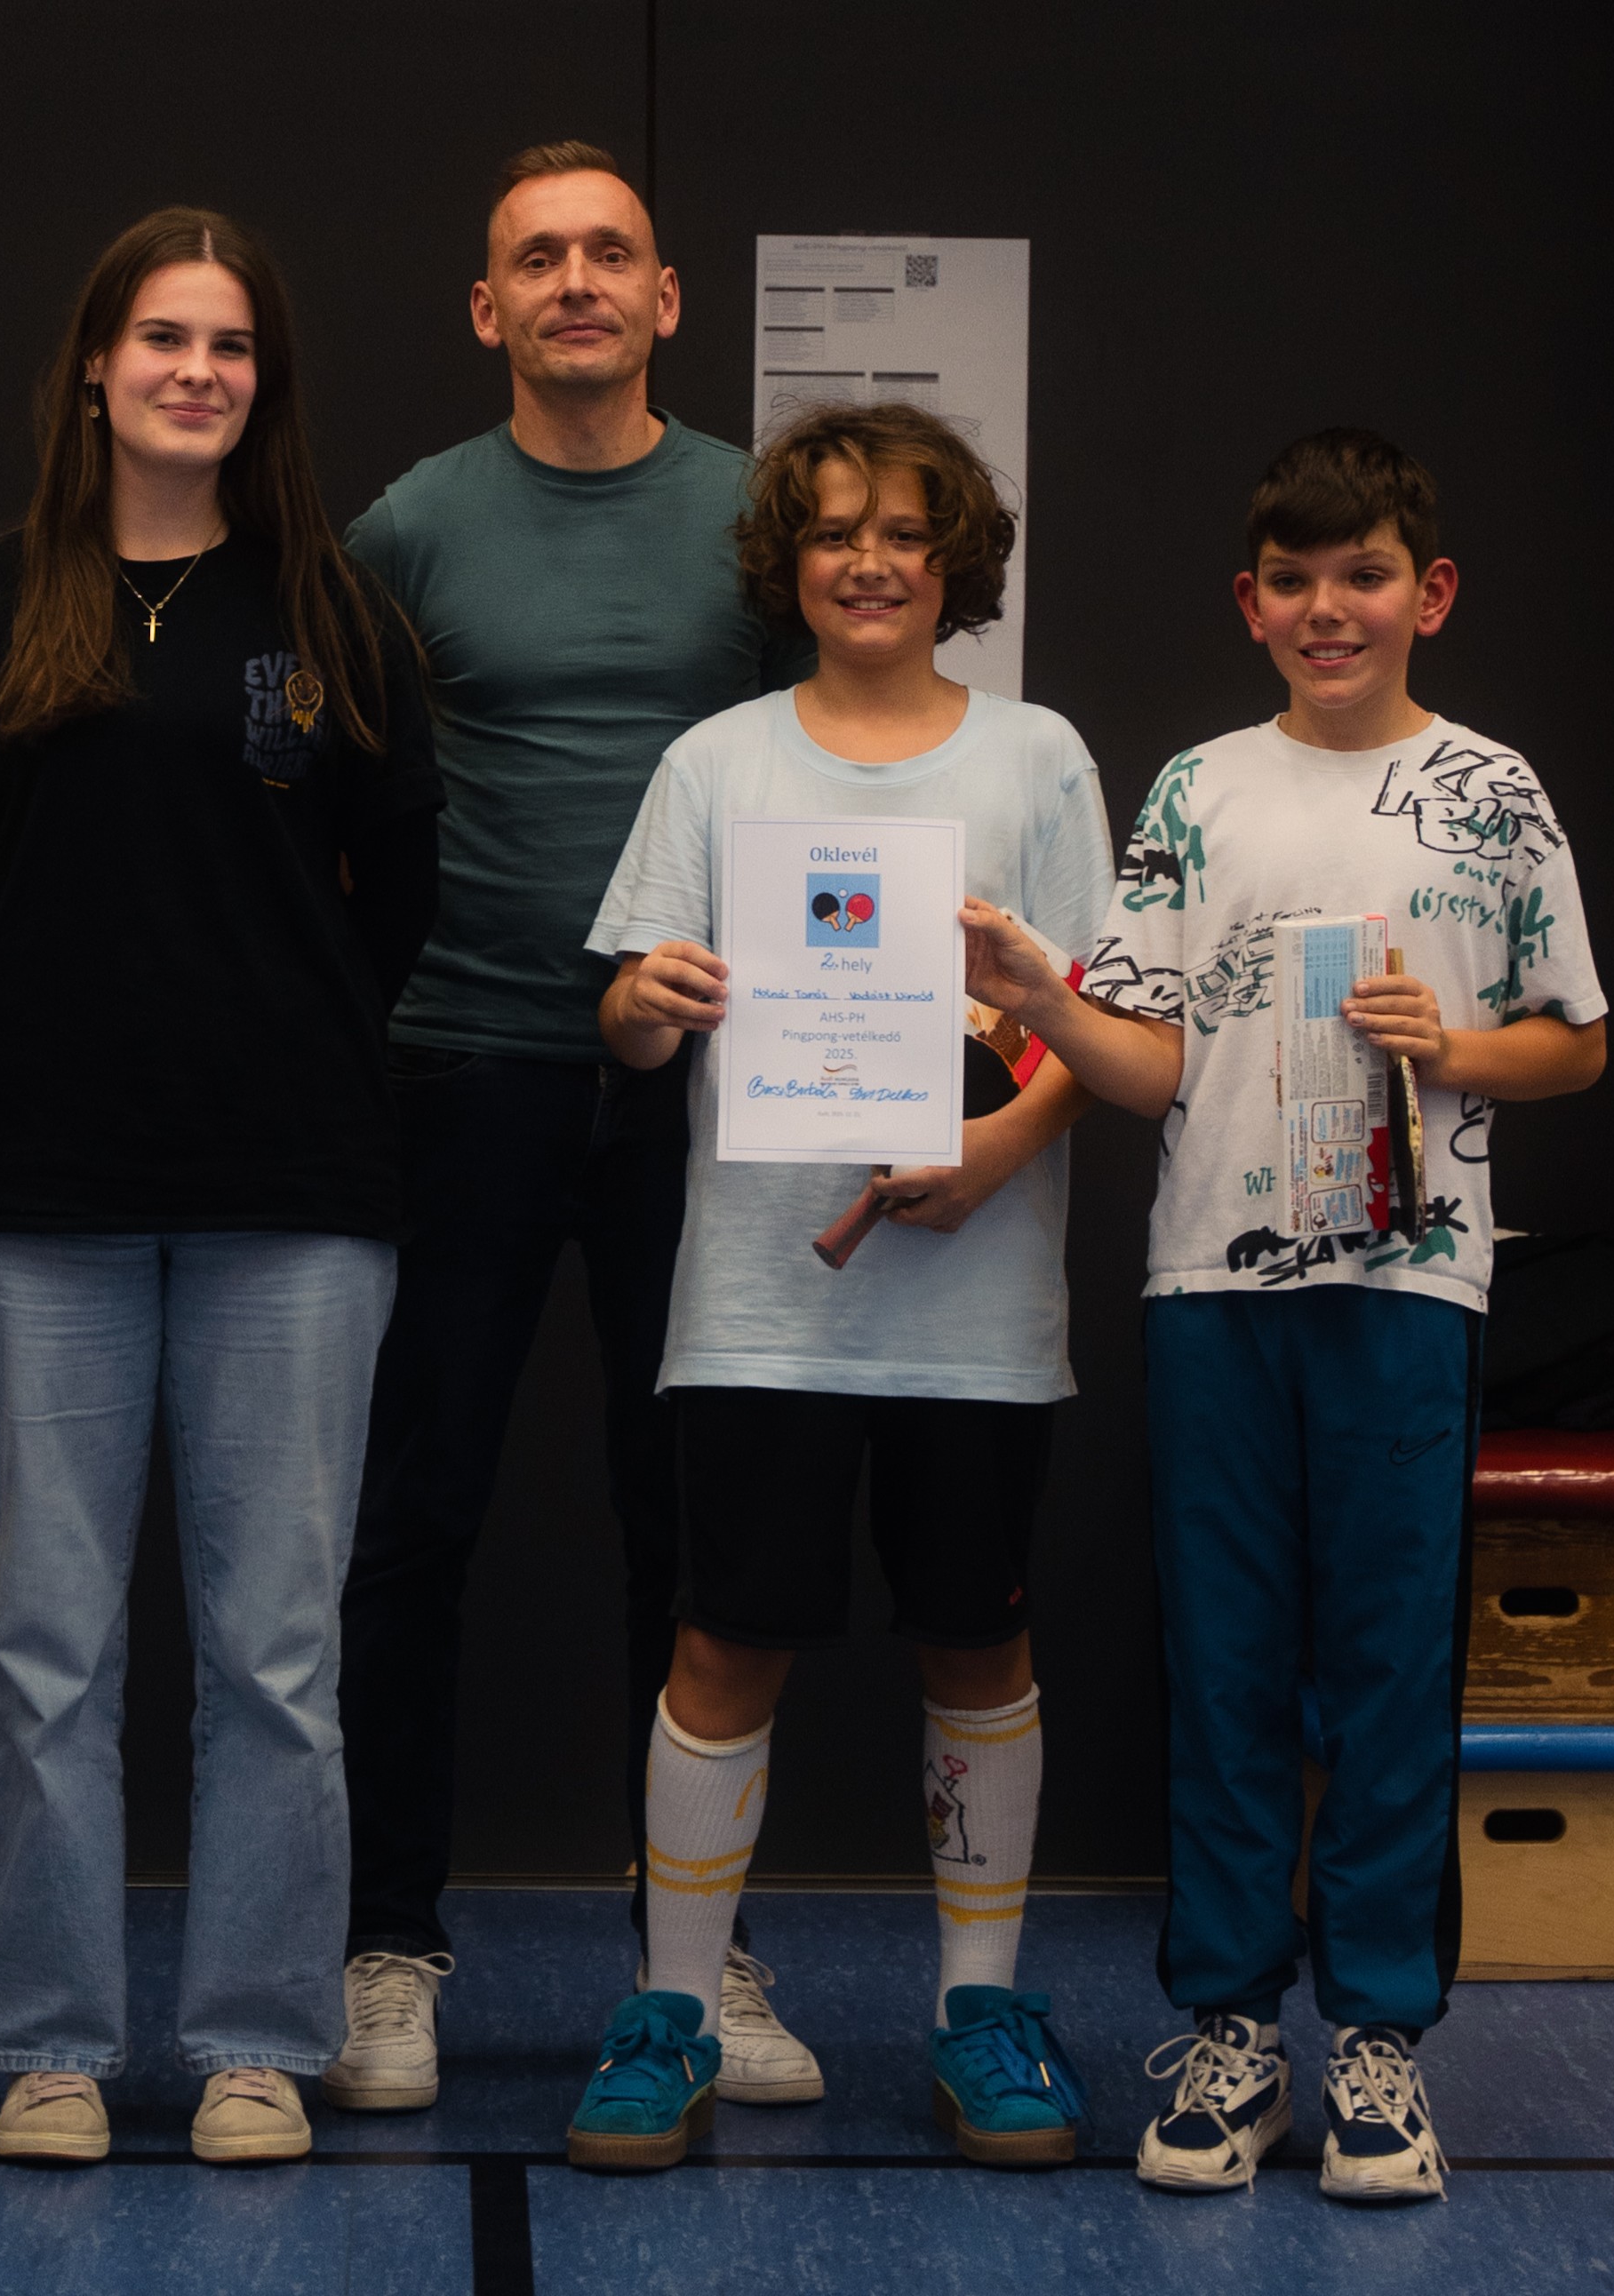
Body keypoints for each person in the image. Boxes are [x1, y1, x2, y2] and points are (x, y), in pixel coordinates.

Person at [958, 429, 1609, 2204]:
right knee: (1228, 1661)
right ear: (1248, 604)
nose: (1331, 609)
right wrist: (1040, 997)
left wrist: (1448, 1049)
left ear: (1429, 592)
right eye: (1295, 581)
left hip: (1408, 1283)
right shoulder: (1196, 790)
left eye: (1364, 575)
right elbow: (1148, 1060)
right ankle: (1232, 2029)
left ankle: (1379, 2040)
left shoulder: (1491, 790)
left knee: (1390, 1665)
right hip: (1211, 1286)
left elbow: (1574, 1041)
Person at [0, 208, 442, 2167]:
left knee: (275, 1654)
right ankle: (48, 2039)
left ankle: (254, 2040)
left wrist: (266, 1036)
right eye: (163, 337)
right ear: (97, 368)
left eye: (232, 345)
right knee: (47, 1652)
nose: (198, 371)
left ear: (263, 384)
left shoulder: (336, 611)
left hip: (295, 1192)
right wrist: (68, 1040)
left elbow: (398, 895)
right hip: (33, 1196)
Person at [324, 142, 819, 2117]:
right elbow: (327, 796)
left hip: (711, 1087)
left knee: (685, 1524)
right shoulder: (409, 527)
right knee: (413, 1515)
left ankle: (692, 1956)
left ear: (666, 297)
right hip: (462, 1069)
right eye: (538, 258)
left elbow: (837, 765)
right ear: (488, 308)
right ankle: (385, 1944)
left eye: (610, 252)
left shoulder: (757, 518)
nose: (576, 282)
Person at [573, 401, 1115, 2172]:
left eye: (901, 531)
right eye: (829, 532)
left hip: (978, 1308)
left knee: (977, 1637)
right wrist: (642, 1004)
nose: (867, 562)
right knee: (724, 1641)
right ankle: (670, 2008)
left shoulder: (1036, 757)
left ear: (956, 559)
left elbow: (1100, 1024)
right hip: (760, 1304)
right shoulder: (715, 763)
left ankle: (983, 2008)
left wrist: (997, 1149)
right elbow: (630, 1022)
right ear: (782, 563)